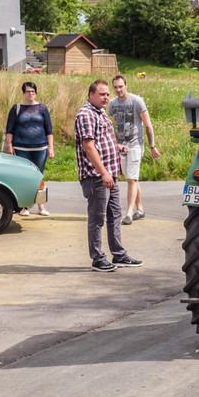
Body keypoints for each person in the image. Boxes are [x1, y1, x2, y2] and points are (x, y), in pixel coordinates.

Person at [75, 79, 143, 272]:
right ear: (91, 95)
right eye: (102, 94)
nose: (106, 98)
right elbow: (89, 147)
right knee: (97, 219)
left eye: (107, 94)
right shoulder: (86, 114)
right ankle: (97, 259)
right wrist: (103, 173)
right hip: (97, 176)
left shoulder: (101, 113)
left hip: (110, 175)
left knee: (114, 215)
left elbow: (103, 139)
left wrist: (117, 147)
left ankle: (119, 255)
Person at [109, 74, 160, 225]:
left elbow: (148, 125)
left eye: (121, 86)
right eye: (116, 87)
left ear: (126, 85)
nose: (118, 90)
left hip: (135, 143)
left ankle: (129, 212)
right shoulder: (112, 104)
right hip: (121, 145)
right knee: (131, 178)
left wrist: (152, 146)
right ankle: (140, 209)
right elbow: (116, 124)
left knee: (131, 178)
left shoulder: (137, 101)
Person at [5, 81, 54, 216]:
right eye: (28, 91)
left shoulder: (42, 108)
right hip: (21, 148)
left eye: (33, 91)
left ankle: (41, 206)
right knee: (23, 176)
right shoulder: (17, 108)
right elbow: (9, 129)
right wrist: (9, 145)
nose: (30, 94)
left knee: (39, 176)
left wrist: (51, 148)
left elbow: (49, 130)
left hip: (40, 148)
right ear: (23, 93)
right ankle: (23, 207)